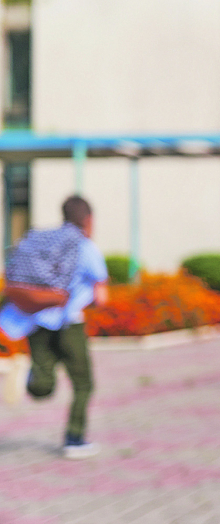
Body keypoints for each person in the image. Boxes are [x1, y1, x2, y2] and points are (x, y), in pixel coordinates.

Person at [0, 195, 109, 459]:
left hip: (36, 320)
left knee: (43, 385)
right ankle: (74, 439)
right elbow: (103, 297)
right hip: (68, 323)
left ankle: (33, 378)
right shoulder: (85, 246)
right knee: (83, 384)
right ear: (88, 220)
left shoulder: (42, 239)